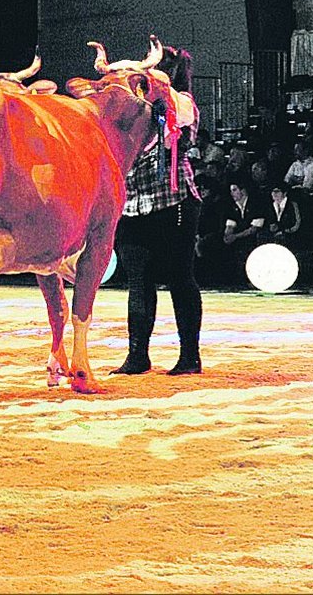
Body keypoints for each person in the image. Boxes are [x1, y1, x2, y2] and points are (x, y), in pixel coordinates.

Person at [111, 45, 204, 376]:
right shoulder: (128, 113)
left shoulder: (179, 104)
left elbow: (175, 134)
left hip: (173, 204)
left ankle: (190, 357)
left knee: (181, 279)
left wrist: (160, 93)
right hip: (133, 207)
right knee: (138, 281)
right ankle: (138, 356)